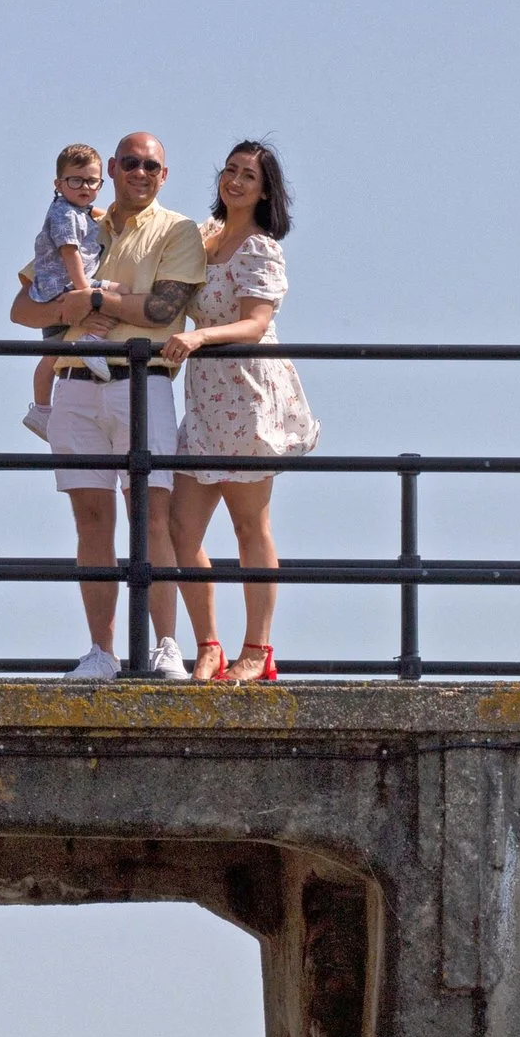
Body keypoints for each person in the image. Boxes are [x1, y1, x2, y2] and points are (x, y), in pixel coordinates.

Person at [8, 131, 207, 681]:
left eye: (151, 165)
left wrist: (91, 300)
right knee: (91, 518)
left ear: (164, 175)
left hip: (143, 380)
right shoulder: (78, 220)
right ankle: (101, 651)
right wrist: (74, 314)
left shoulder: (177, 229)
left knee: (153, 517)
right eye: (130, 163)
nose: (139, 173)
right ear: (113, 169)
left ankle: (166, 645)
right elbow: (22, 309)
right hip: (74, 379)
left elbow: (165, 306)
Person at [164, 141, 319, 683]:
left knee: (249, 522)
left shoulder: (259, 248)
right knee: (178, 526)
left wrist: (200, 335)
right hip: (205, 398)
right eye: (229, 170)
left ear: (264, 189)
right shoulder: (204, 239)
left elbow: (255, 322)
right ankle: (208, 644)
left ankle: (258, 650)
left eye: (247, 175)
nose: (234, 181)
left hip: (247, 392)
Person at [22, 144, 112, 441]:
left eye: (92, 181)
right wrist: (85, 291)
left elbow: (94, 214)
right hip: (65, 286)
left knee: (51, 353)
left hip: (55, 287)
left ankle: (41, 410)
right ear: (58, 184)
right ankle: (92, 345)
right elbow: (70, 252)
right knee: (117, 292)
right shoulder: (64, 215)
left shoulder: (76, 211)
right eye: (76, 180)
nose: (84, 187)